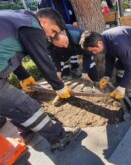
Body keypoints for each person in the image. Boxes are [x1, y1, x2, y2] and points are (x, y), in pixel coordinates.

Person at [0, 9, 81, 150]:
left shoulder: (17, 18)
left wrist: (23, 76)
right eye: (54, 31)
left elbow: (8, 52)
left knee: (11, 106)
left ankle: (27, 131)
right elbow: (42, 61)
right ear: (43, 22)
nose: (51, 36)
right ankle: (59, 138)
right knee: (26, 106)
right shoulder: (33, 27)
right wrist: (59, 87)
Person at [79, 26, 131, 109]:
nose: (94, 53)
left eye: (94, 50)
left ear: (99, 43)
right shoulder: (104, 39)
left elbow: (130, 67)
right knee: (119, 66)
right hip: (129, 47)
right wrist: (107, 76)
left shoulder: (117, 43)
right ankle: (121, 89)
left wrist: (122, 87)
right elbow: (110, 57)